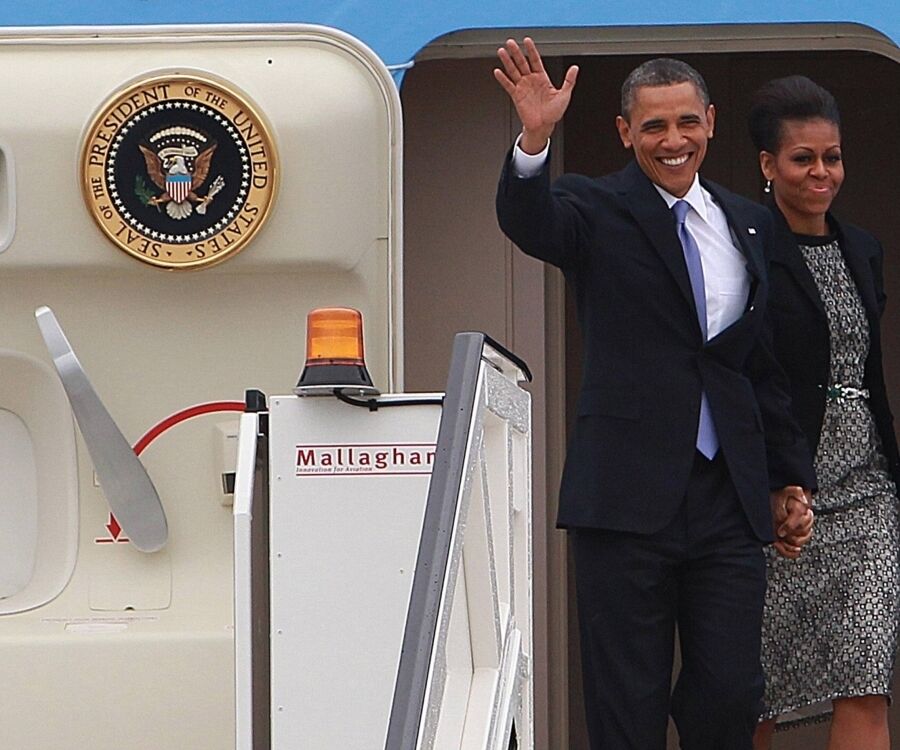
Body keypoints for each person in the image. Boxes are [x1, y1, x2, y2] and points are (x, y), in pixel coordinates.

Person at [493, 39, 816, 750]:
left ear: (710, 121)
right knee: (626, 702)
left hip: (725, 497)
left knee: (731, 692)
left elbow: (759, 365)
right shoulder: (591, 205)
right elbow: (530, 221)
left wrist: (788, 478)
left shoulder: (748, 222)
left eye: (686, 123)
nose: (673, 141)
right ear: (624, 132)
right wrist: (534, 139)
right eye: (654, 127)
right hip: (625, 497)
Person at [748, 76, 900, 750]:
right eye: (803, 158)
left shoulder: (862, 248)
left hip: (866, 491)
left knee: (866, 674)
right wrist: (777, 482)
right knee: (760, 688)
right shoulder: (746, 250)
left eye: (831, 157)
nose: (820, 172)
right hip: (781, 493)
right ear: (768, 165)